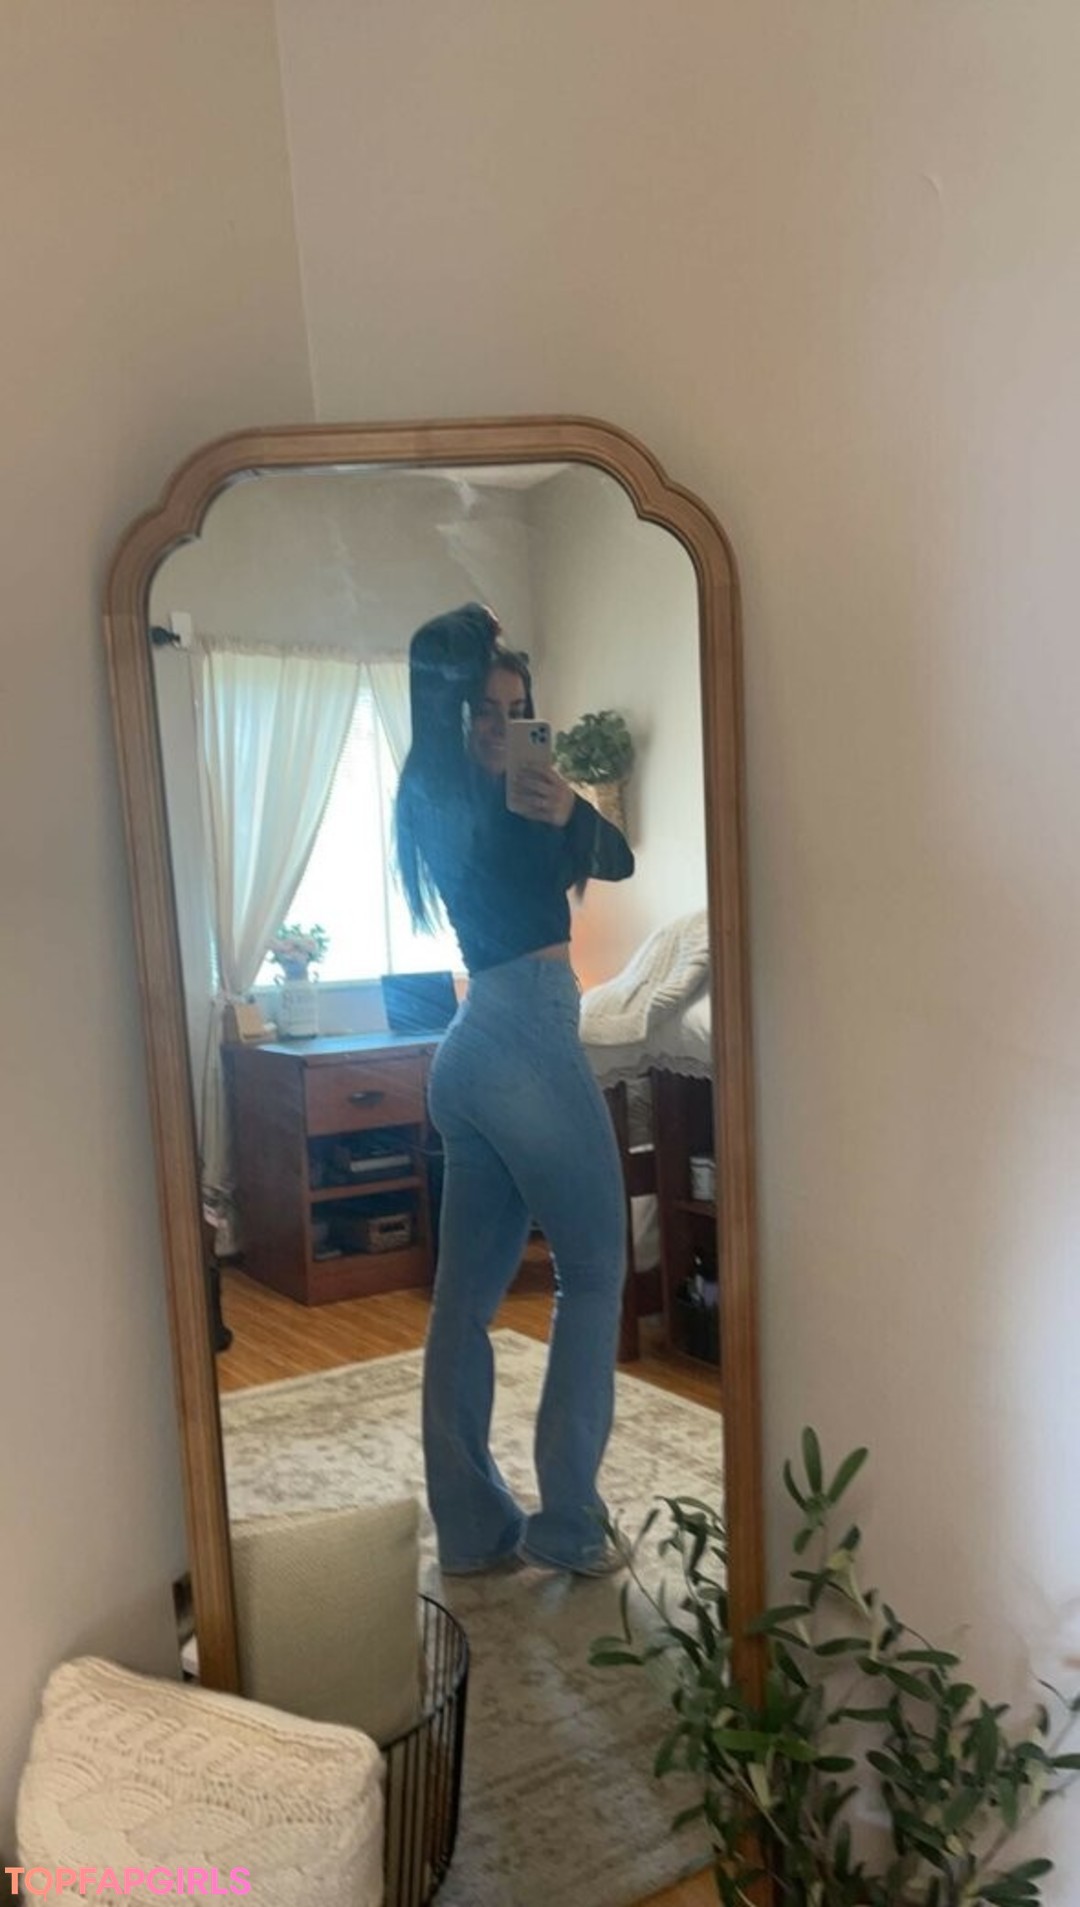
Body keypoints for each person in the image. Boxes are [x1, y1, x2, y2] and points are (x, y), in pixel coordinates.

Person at [394, 602, 635, 1576]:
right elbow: (611, 861)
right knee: (595, 1273)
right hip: (527, 1036)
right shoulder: (467, 800)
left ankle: (471, 1528)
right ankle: (569, 1523)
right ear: (452, 713)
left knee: (463, 1303)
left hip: (469, 1051)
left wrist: (569, 807)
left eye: (517, 708)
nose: (503, 724)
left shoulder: (467, 800)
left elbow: (616, 858)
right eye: (485, 709)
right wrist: (471, 630)